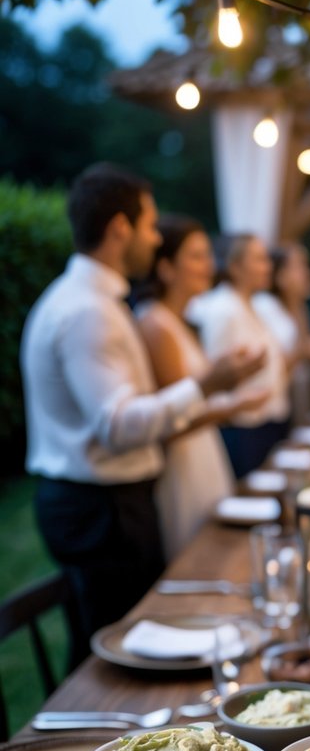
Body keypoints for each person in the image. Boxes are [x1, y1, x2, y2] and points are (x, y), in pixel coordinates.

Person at [20, 164, 263, 662]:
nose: (155, 241)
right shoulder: (87, 310)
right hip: (99, 506)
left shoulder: (93, 303)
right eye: (150, 226)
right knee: (113, 654)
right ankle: (105, 734)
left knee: (116, 641)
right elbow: (117, 426)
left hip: (101, 501)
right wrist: (204, 386)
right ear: (119, 229)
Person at [136, 216, 269, 560]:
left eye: (208, 255)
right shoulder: (156, 325)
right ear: (166, 268)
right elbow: (172, 423)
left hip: (203, 454)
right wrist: (233, 404)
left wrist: (227, 377)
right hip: (184, 466)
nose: (209, 265)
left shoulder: (175, 322)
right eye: (196, 256)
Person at [188, 233, 290, 478]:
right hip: (239, 428)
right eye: (259, 260)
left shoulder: (253, 304)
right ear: (235, 267)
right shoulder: (223, 310)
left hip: (262, 421)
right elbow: (214, 375)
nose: (268, 267)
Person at [252, 242, 310, 423]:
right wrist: (307, 351)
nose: (308, 272)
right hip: (270, 409)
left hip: (296, 399)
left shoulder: (298, 306)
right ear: (280, 275)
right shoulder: (265, 308)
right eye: (300, 266)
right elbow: (271, 365)